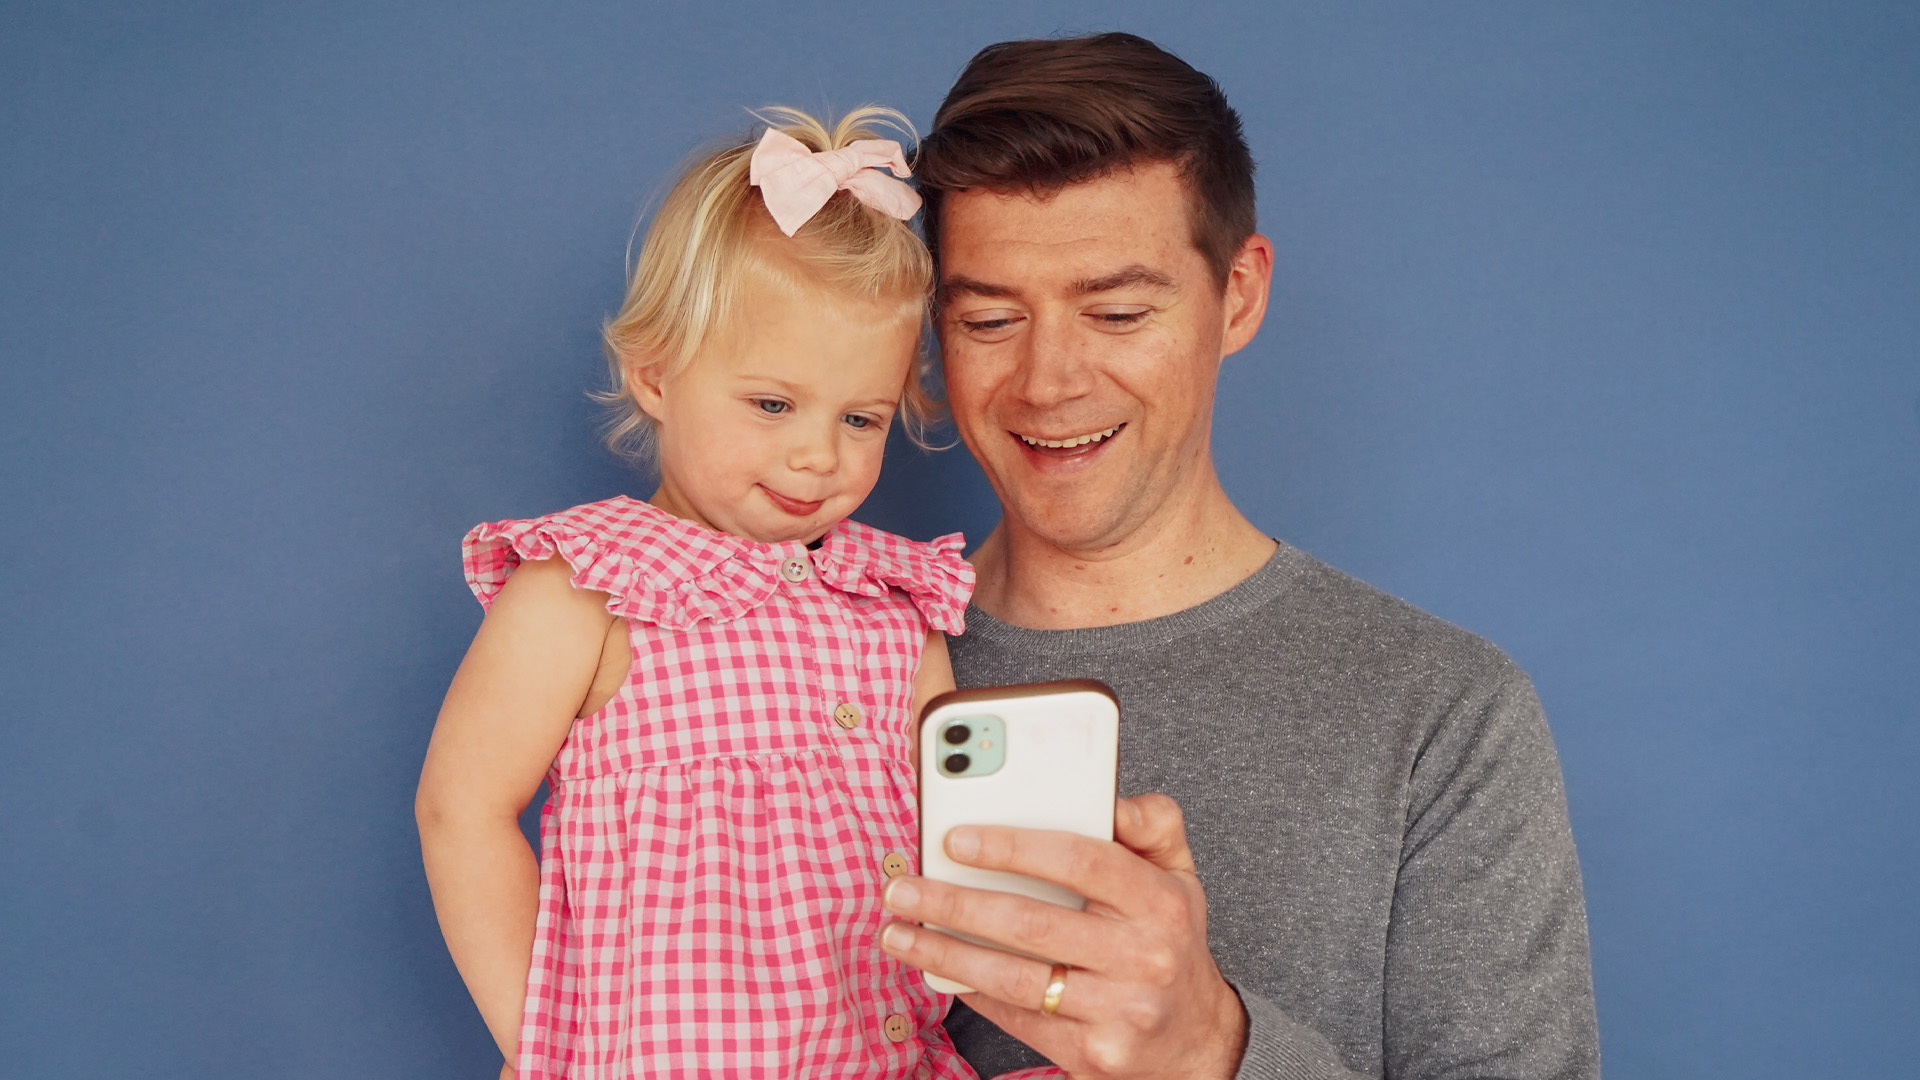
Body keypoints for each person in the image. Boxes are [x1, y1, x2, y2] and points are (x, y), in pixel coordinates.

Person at [874, 34, 1602, 1080]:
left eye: (1118, 313)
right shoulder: (826, 665)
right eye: (989, 319)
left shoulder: (1443, 712)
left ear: (1240, 294)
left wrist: (1211, 1047)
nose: (1047, 381)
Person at [415, 106, 993, 1079]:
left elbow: (960, 826)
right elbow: (460, 809)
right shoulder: (588, 586)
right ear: (655, 374)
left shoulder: (892, 599)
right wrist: (548, 1050)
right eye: (772, 404)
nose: (818, 455)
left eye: (861, 418)